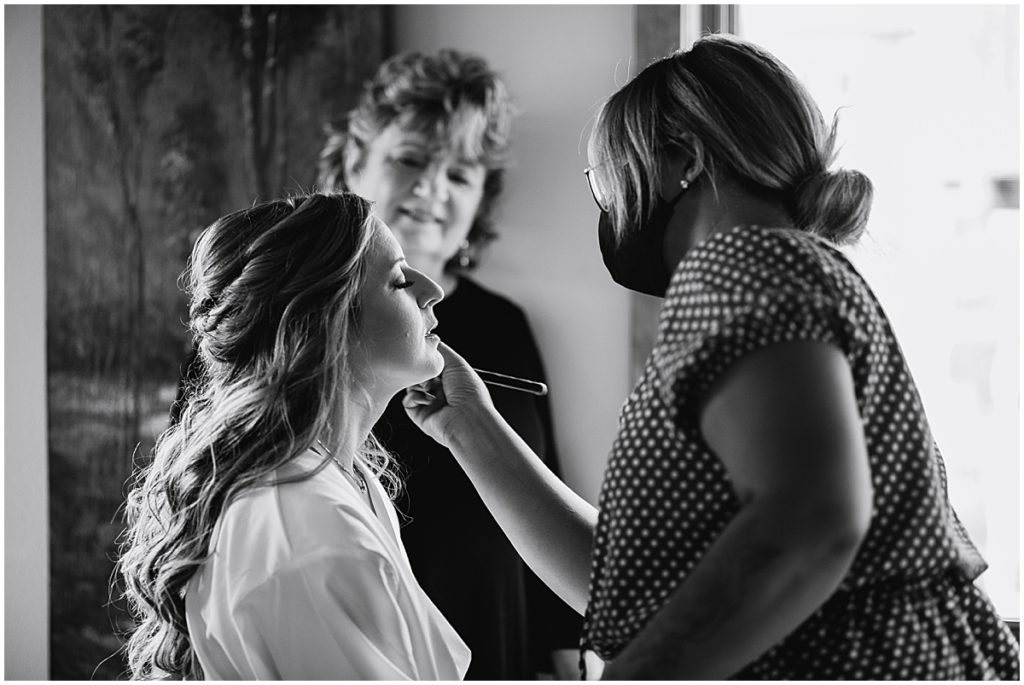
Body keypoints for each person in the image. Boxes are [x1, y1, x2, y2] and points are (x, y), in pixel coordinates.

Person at [401, 34, 1021, 680]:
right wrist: (470, 428)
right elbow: (637, 589)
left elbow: (811, 521)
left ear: (683, 160)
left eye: (604, 179)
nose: (606, 208)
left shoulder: (741, 261)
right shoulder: (777, 274)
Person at [117, 192, 471, 679]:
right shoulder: (310, 532)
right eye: (397, 279)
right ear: (325, 322)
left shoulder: (349, 483)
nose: (432, 290)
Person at [317, 48, 581, 679]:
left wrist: (568, 654)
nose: (431, 190)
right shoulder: (285, 320)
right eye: (410, 160)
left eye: (459, 175)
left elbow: (545, 484)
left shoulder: (505, 328)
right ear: (356, 164)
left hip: (497, 643)